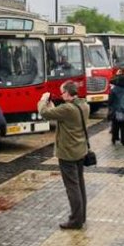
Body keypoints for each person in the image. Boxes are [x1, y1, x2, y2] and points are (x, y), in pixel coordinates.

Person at [38, 81, 90, 230]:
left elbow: (45, 113)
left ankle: (75, 220)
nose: (61, 95)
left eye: (62, 92)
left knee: (72, 187)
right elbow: (61, 114)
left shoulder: (67, 109)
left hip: (68, 153)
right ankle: (82, 216)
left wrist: (43, 100)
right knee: (80, 184)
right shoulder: (84, 105)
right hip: (80, 150)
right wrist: (53, 106)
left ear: (67, 93)